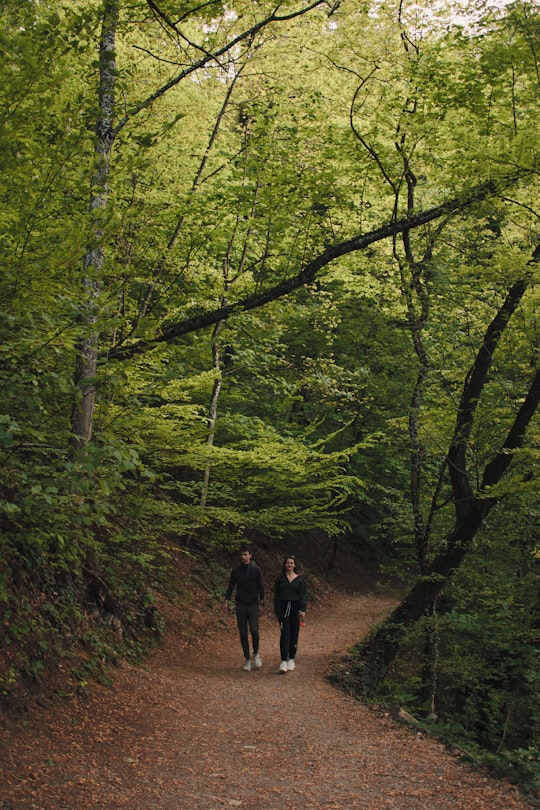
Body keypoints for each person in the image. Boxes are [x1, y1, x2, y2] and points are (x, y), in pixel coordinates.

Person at [223, 545, 265, 671]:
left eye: (245, 554)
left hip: (252, 604)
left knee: (254, 630)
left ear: (250, 555)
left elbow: (261, 587)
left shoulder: (256, 570)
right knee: (242, 633)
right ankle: (247, 659)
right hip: (240, 605)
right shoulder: (236, 571)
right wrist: (226, 600)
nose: (243, 557)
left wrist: (261, 603)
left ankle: (256, 653)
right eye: (241, 555)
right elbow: (231, 586)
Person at [273, 555, 307, 673]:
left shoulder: (300, 579)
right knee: (285, 634)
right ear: (284, 565)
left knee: (294, 633)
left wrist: (302, 610)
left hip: (295, 609)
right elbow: (276, 596)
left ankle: (291, 658)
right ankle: (283, 660)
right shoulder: (280, 579)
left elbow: (303, 596)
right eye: (287, 563)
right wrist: (277, 610)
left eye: (292, 563)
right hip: (283, 609)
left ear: (295, 565)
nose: (289, 565)